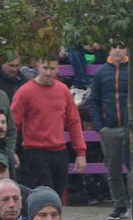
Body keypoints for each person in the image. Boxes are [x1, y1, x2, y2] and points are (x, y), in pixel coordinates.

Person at [11, 58, 88, 201]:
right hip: (35, 150)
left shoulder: (63, 90)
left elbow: (74, 122)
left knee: (57, 196)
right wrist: (11, 149)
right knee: (44, 196)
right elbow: (13, 123)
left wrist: (81, 152)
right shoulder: (25, 92)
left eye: (52, 69)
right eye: (45, 68)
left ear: (57, 69)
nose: (48, 73)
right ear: (38, 66)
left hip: (59, 150)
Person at [88, 46, 133, 220]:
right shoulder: (101, 73)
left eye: (122, 47)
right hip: (109, 128)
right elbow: (94, 101)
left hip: (130, 128)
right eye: (114, 47)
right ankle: (120, 205)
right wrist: (100, 126)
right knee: (113, 170)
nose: (118, 51)